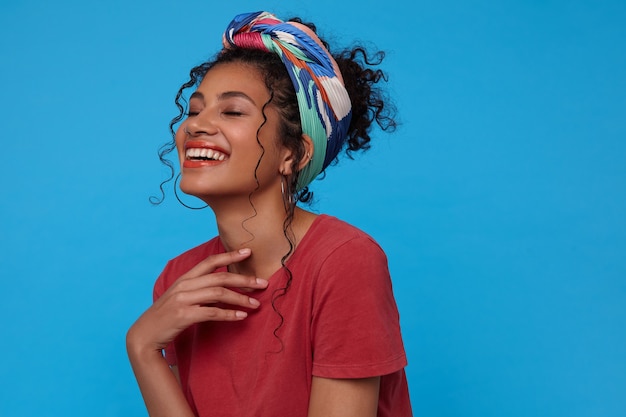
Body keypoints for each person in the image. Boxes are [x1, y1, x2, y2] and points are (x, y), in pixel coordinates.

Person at [126, 11, 412, 417]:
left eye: (232, 112)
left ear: (293, 154)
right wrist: (142, 348)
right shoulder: (181, 281)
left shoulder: (344, 261)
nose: (196, 126)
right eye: (194, 111)